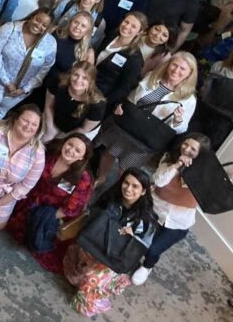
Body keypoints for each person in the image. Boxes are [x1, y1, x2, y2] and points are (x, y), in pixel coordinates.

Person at [63, 168, 157, 317]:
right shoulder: (110, 198)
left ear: (144, 191)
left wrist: (133, 236)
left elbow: (143, 246)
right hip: (95, 244)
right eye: (126, 183)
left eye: (135, 186)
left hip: (114, 257)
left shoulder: (147, 219)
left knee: (93, 278)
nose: (128, 188)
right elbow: (91, 215)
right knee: (82, 268)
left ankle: (86, 301)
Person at [97, 52, 197, 181]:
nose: (176, 70)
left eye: (182, 69)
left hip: (146, 140)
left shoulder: (189, 99)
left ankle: (118, 191)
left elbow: (182, 128)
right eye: (174, 65)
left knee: (127, 168)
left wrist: (178, 120)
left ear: (189, 74)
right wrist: (122, 107)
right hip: (127, 126)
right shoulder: (152, 77)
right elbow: (133, 97)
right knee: (108, 153)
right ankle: (100, 179)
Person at [4, 133, 93, 272]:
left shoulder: (82, 178)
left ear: (82, 157)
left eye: (77, 150)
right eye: (70, 144)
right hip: (27, 198)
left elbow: (72, 208)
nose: (71, 150)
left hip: (52, 213)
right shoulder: (49, 153)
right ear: (64, 142)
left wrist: (43, 218)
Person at [131, 133, 209, 286]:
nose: (186, 149)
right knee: (138, 237)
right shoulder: (169, 157)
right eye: (185, 144)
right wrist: (176, 166)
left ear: (201, 154)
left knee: (153, 249)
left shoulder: (204, 173)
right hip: (155, 210)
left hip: (178, 222)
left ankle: (147, 267)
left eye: (193, 149)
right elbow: (159, 182)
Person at [0, 9, 57, 124]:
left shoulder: (50, 43)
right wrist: (7, 82)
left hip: (19, 91)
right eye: (38, 20)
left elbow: (45, 68)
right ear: (32, 16)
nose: (39, 25)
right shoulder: (10, 29)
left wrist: (25, 89)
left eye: (44, 25)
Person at [44, 61, 106, 141]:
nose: (78, 80)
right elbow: (49, 106)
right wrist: (50, 129)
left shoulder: (97, 104)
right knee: (44, 139)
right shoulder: (58, 82)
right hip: (53, 120)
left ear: (91, 82)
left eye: (85, 78)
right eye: (76, 75)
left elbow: (84, 128)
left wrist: (60, 138)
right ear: (70, 74)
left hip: (78, 131)